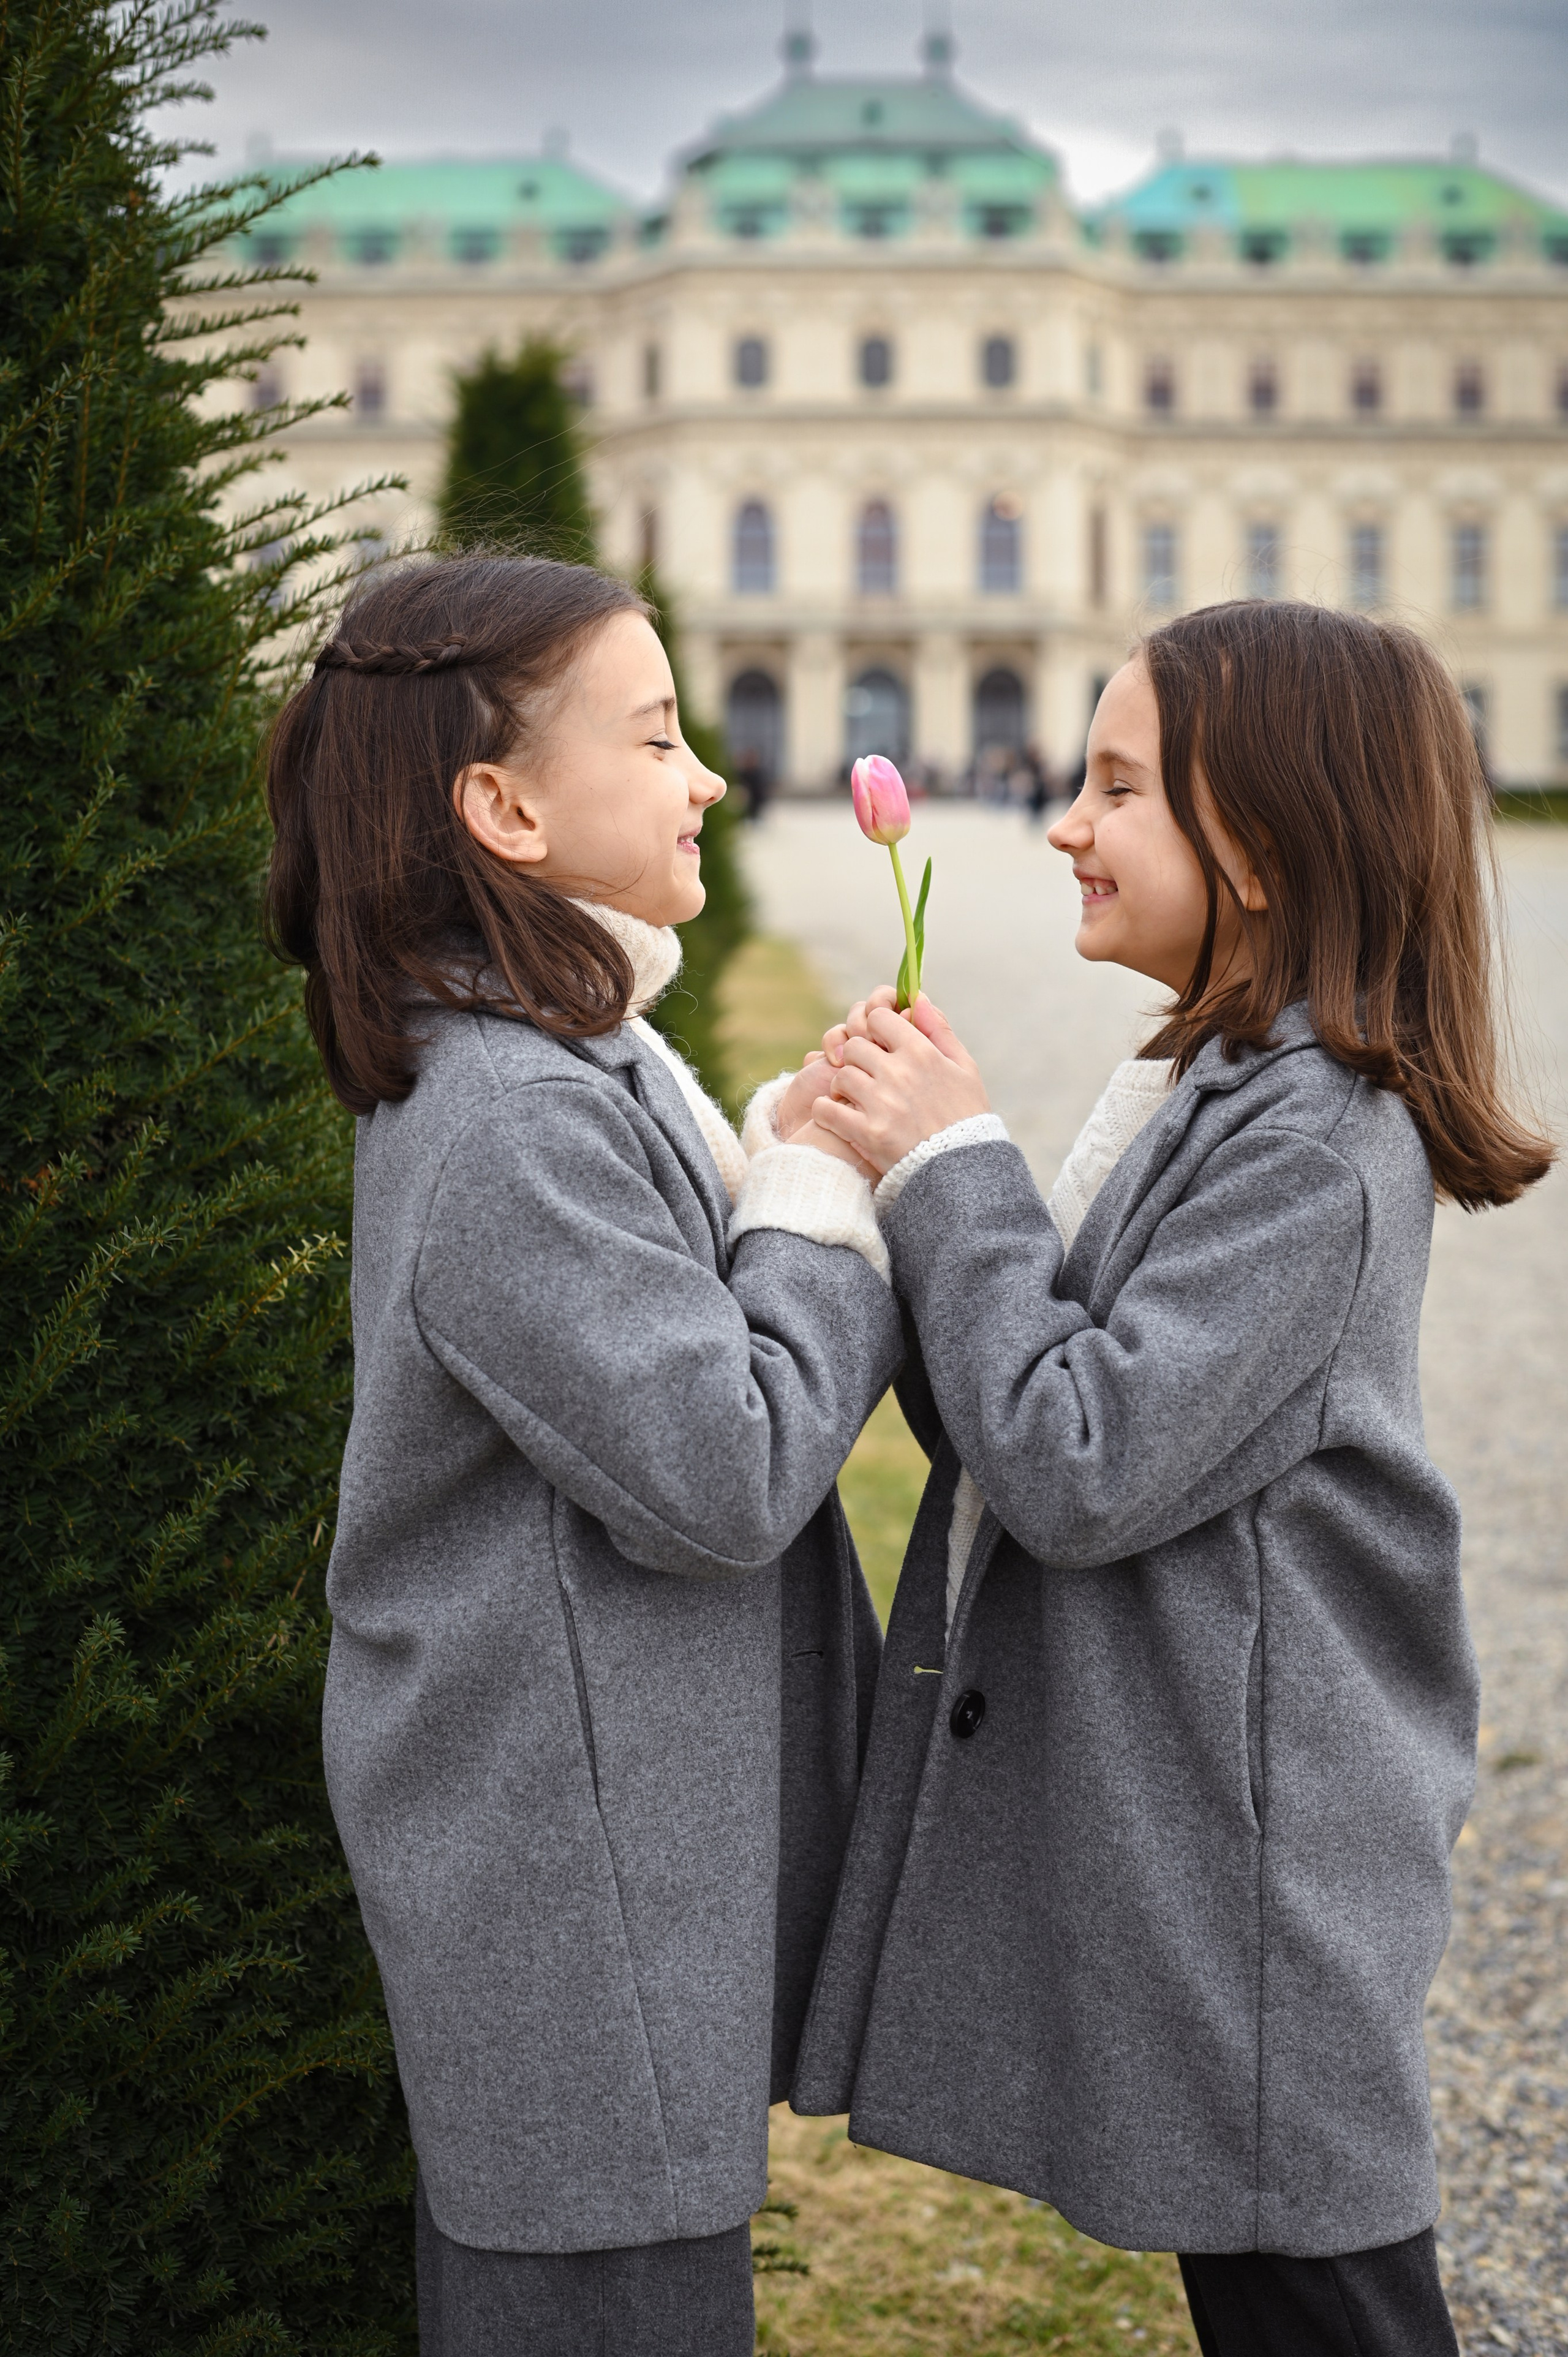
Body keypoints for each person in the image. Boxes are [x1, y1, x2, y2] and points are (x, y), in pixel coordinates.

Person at [787, 600, 1554, 2357]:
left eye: (1118, 784)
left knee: (1323, 2292)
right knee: (1273, 2281)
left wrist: (955, 1164)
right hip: (1212, 1837)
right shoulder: (1222, 1081)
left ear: (1266, 846)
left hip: (1265, 1864)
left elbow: (1076, 1462)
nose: (1064, 821)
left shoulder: (1318, 1137)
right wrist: (886, 1186)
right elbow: (1022, 1393)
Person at [263, 553, 901, 2356]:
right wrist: (817, 1200)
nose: (706, 777)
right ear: (505, 808)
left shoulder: (565, 1057)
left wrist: (773, 1160)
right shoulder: (511, 1109)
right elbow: (729, 1465)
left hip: (589, 1851)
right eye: (659, 734)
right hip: (564, 1876)